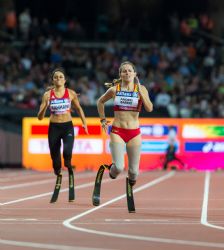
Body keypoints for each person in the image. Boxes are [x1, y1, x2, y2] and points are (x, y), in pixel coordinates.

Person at [97, 61, 153, 186]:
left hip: (134, 133)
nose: (127, 72)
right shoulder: (114, 90)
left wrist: (140, 90)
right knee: (119, 168)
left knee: (133, 172)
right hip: (117, 131)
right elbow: (100, 102)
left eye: (129, 70)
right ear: (120, 74)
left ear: (135, 74)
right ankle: (112, 170)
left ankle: (131, 181)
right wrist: (103, 120)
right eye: (124, 71)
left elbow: (149, 108)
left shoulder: (141, 89)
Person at [37, 68, 88, 176]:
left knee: (67, 152)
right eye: (56, 77)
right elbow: (40, 117)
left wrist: (84, 122)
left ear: (65, 80)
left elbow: (79, 109)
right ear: (53, 81)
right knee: (55, 158)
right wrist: (44, 108)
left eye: (61, 77)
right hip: (54, 127)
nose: (58, 79)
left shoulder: (71, 93)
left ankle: (68, 164)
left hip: (67, 126)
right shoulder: (47, 95)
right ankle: (57, 169)